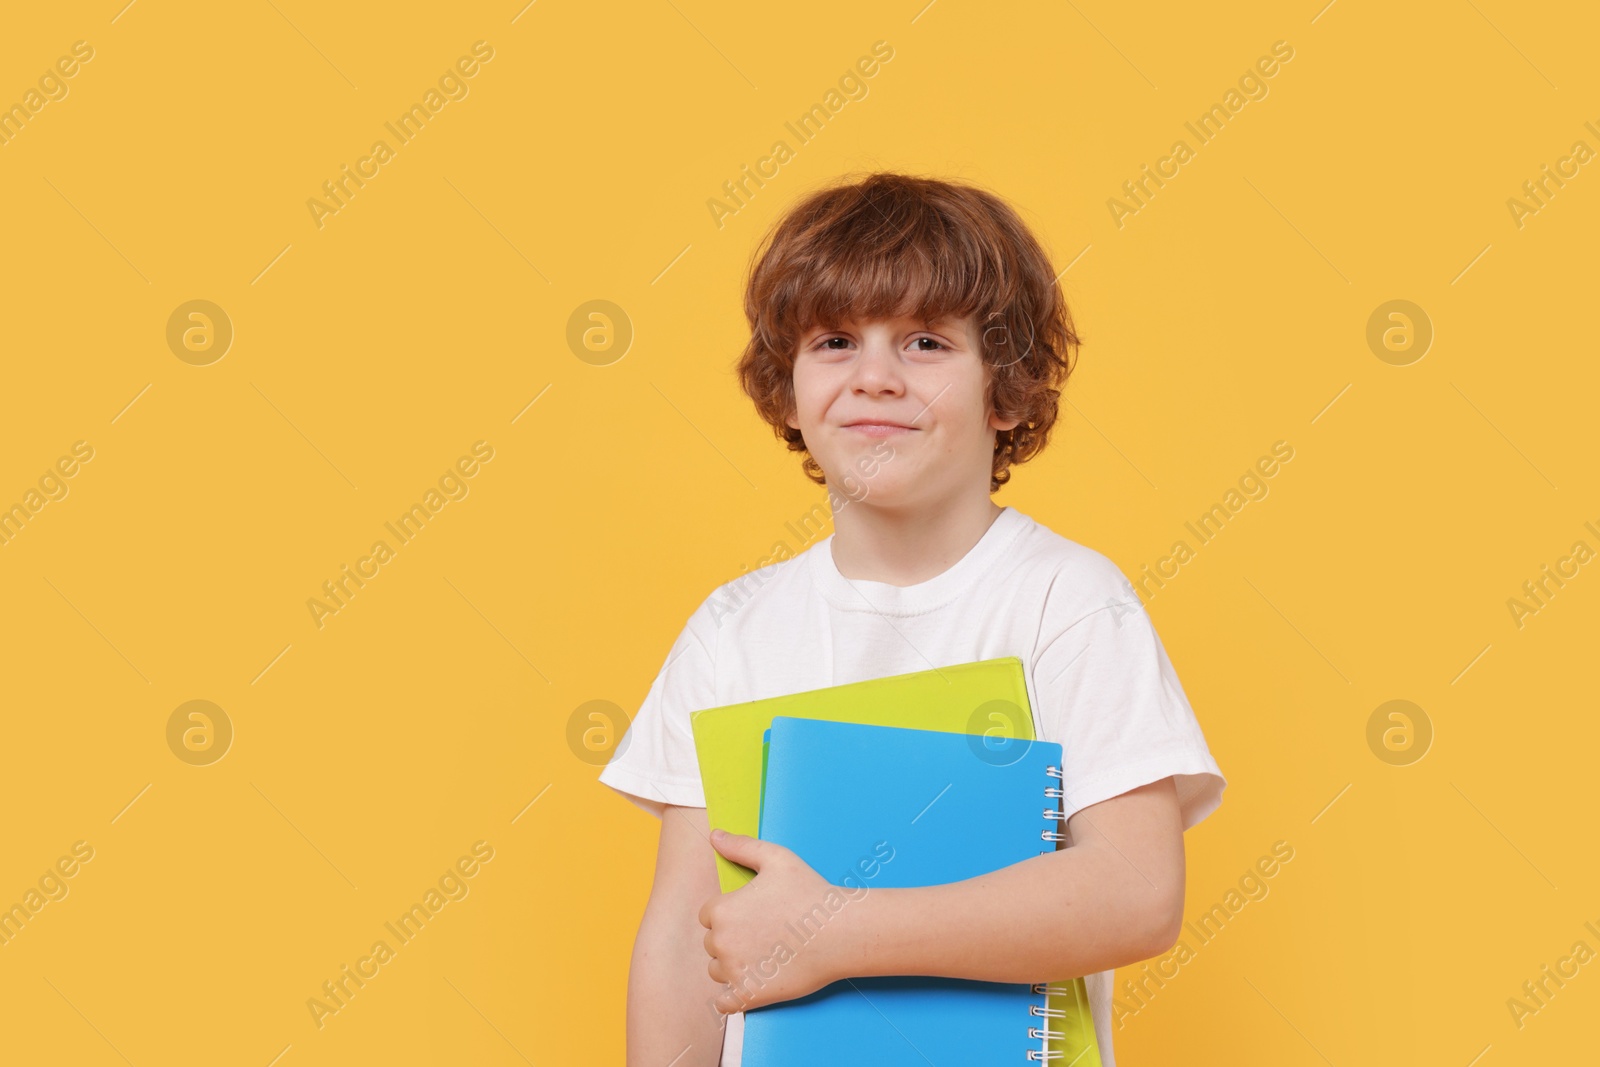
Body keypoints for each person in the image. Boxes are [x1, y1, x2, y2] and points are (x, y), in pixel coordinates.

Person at [598, 171, 1225, 1066]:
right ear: (787, 390)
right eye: (836, 342)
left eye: (926, 342)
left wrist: (833, 932)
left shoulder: (1067, 603)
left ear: (1004, 391)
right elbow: (680, 937)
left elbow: (1135, 892)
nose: (876, 378)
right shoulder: (731, 631)